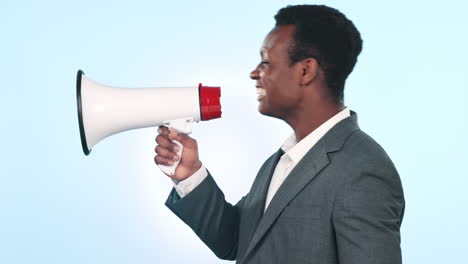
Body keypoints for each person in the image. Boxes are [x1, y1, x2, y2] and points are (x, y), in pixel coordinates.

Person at [154, 4, 405, 264]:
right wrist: (190, 174)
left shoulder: (362, 170)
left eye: (265, 62)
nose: (254, 73)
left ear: (305, 71)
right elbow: (235, 242)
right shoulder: (283, 160)